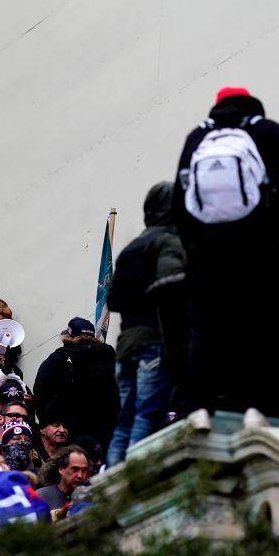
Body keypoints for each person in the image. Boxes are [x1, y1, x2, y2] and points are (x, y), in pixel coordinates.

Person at [172, 86, 279, 419]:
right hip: (260, 254)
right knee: (259, 329)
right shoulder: (269, 132)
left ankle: (199, 409)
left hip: (207, 258)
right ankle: (256, 408)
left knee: (206, 333)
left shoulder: (197, 137)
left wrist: (194, 248)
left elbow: (179, 204)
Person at [107, 182, 188, 465]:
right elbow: (171, 286)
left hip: (126, 346)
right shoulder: (169, 242)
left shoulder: (130, 249)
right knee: (148, 416)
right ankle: (133, 476)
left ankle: (114, 476)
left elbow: (113, 299)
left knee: (126, 421)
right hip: (154, 344)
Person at [33, 317, 120, 448]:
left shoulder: (57, 359)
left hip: (73, 436)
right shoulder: (110, 356)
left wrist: (53, 426)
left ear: (68, 337)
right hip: (110, 431)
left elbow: (41, 395)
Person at [36, 445, 91, 516]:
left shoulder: (91, 497)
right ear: (61, 469)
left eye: (84, 470)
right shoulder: (41, 496)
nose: (80, 476)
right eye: (75, 469)